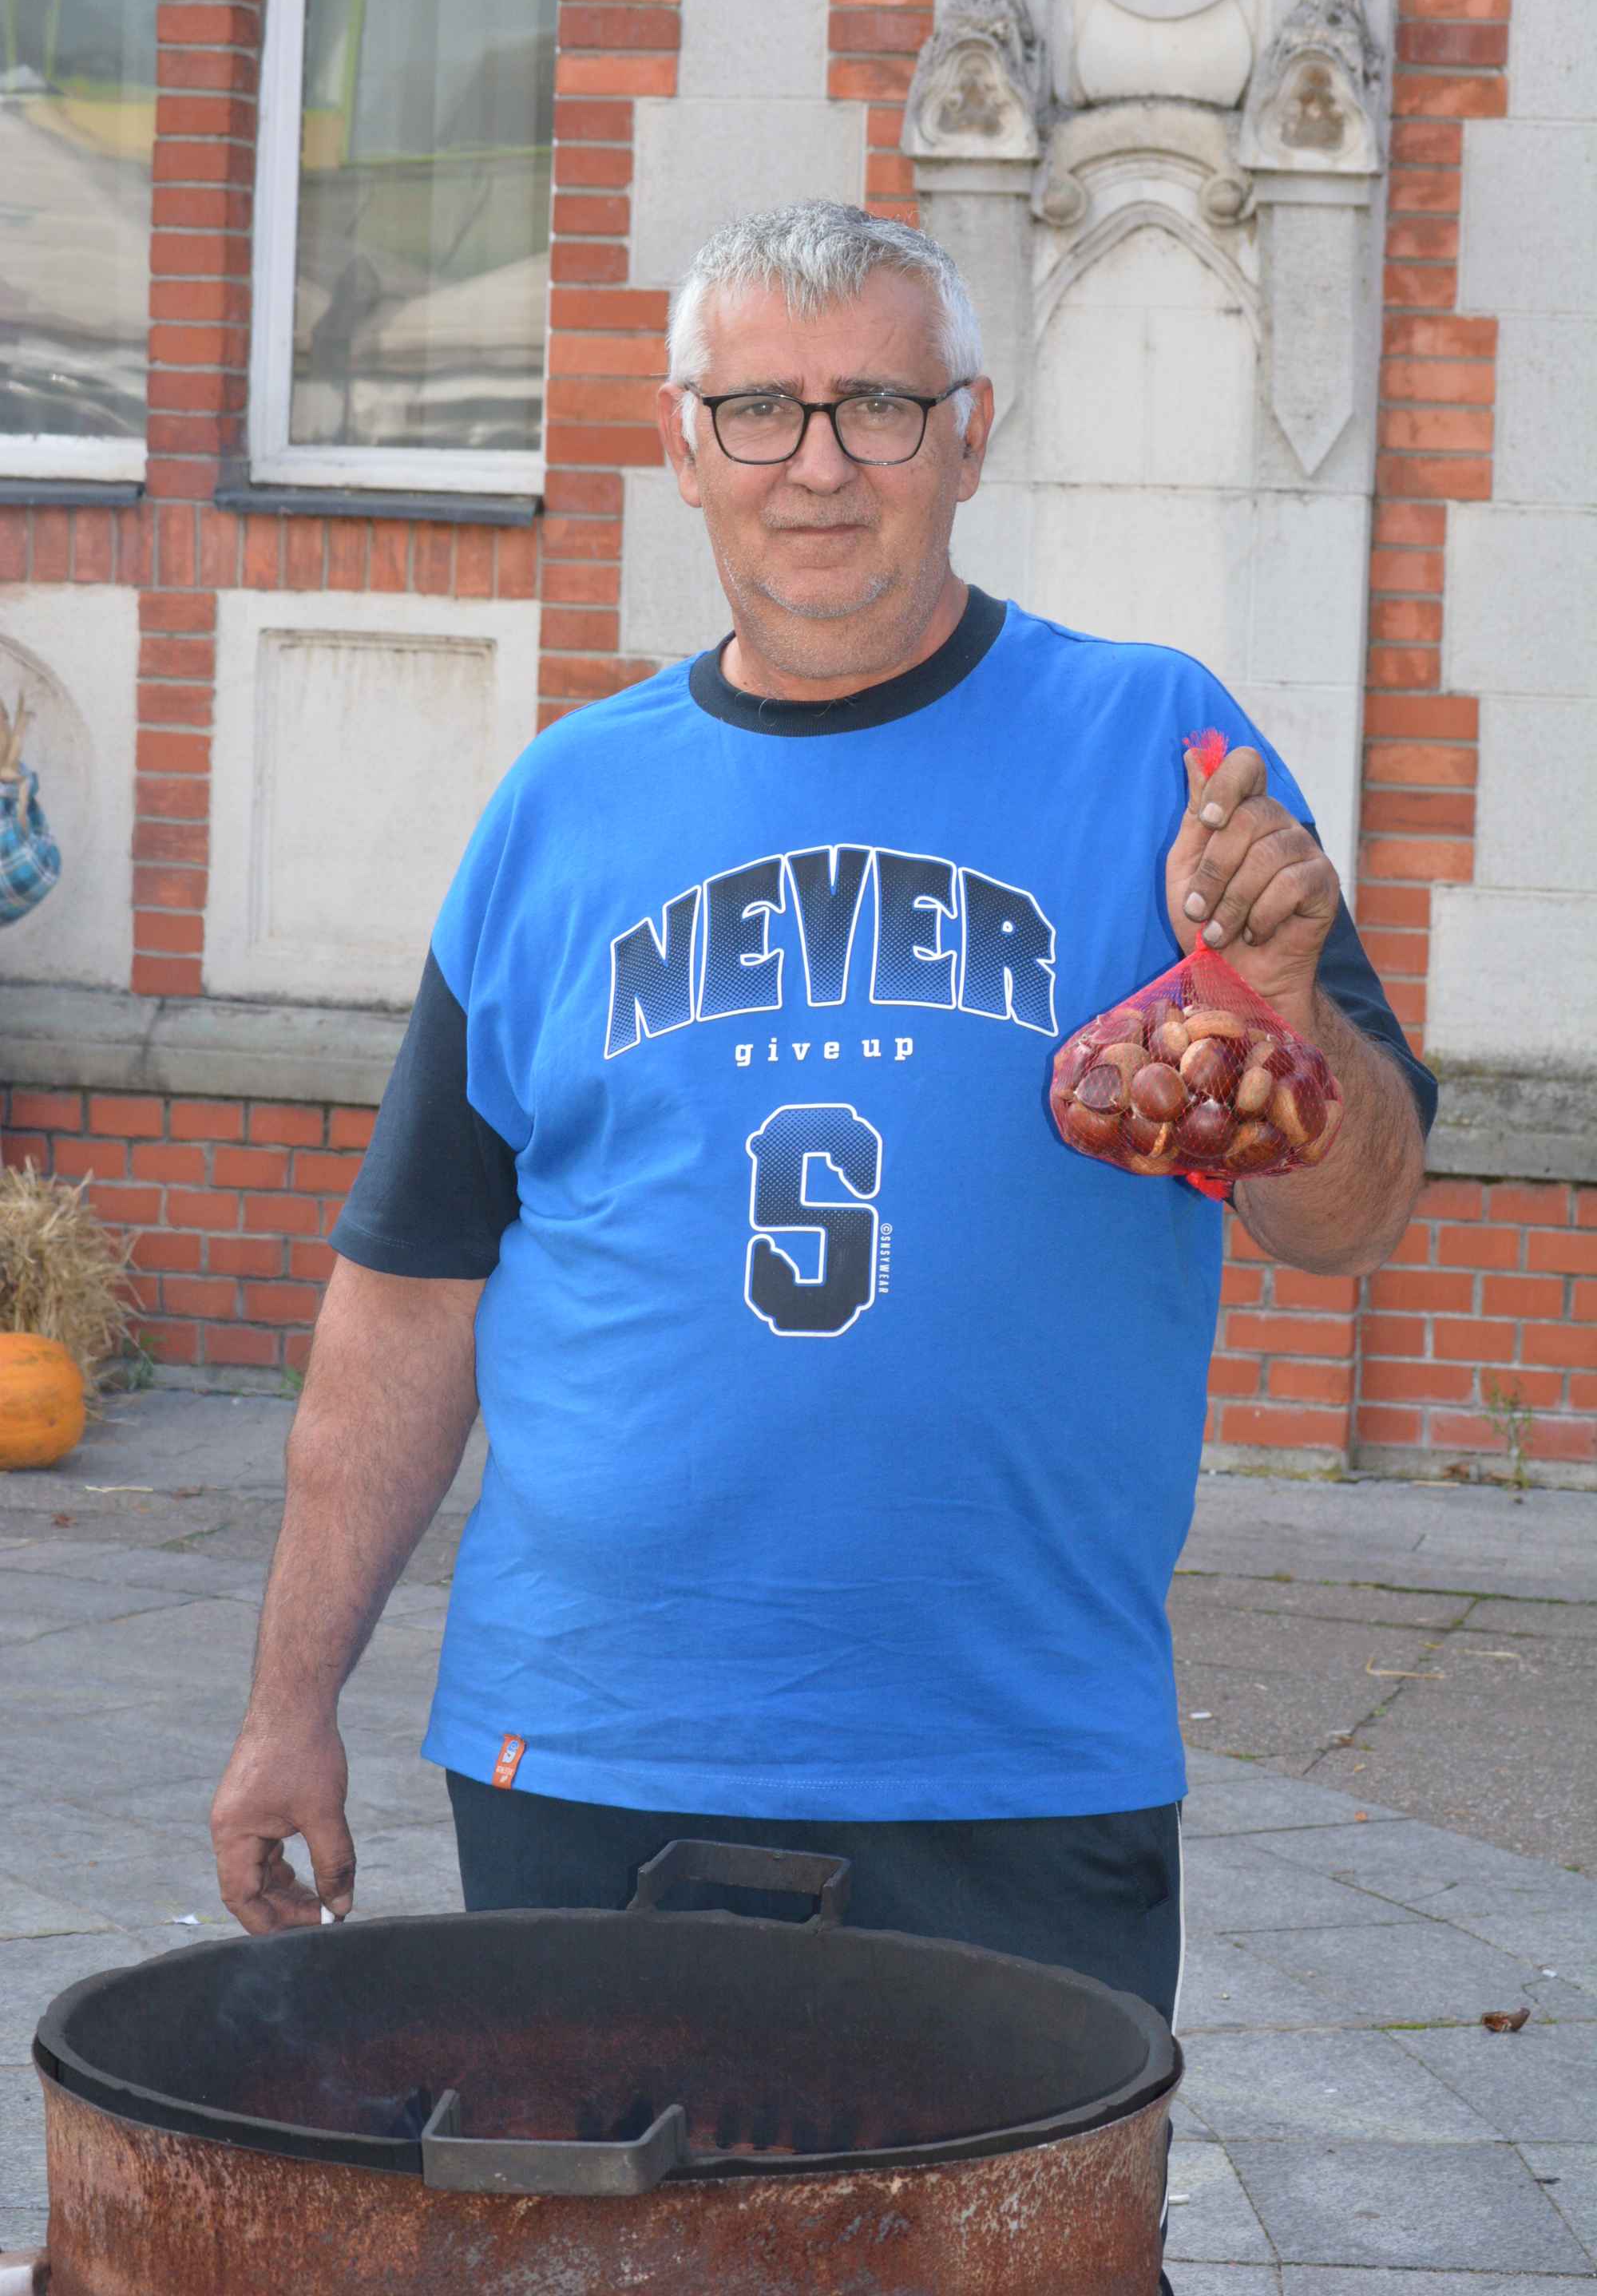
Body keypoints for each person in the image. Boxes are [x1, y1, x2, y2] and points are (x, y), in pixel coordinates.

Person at [211, 200, 1433, 2278]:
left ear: (969, 433)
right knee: (602, 2271)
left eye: (877, 401)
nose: (819, 458)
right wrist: (288, 1695)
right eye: (760, 407)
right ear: (680, 445)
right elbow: (411, 1291)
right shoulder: (561, 809)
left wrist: (1284, 1015)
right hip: (579, 1744)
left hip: (1006, 1749)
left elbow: (1352, 1212)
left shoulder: (1164, 754)